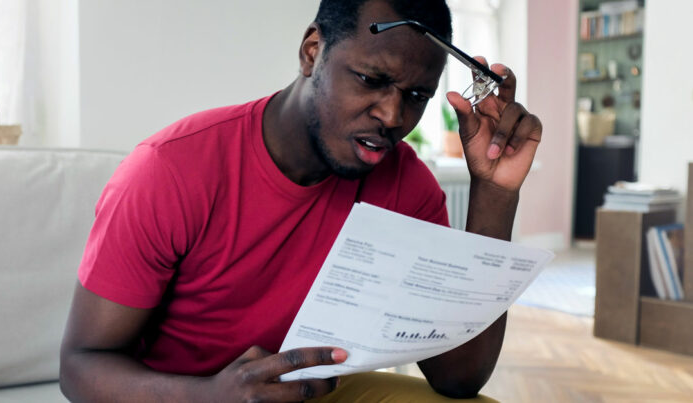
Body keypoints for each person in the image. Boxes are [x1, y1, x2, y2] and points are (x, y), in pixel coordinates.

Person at [59, 0, 542, 401]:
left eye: (416, 95)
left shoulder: (407, 186)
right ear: (312, 52)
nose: (393, 115)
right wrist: (209, 396)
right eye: (371, 80)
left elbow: (456, 378)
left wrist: (494, 193)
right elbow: (80, 367)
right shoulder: (170, 171)